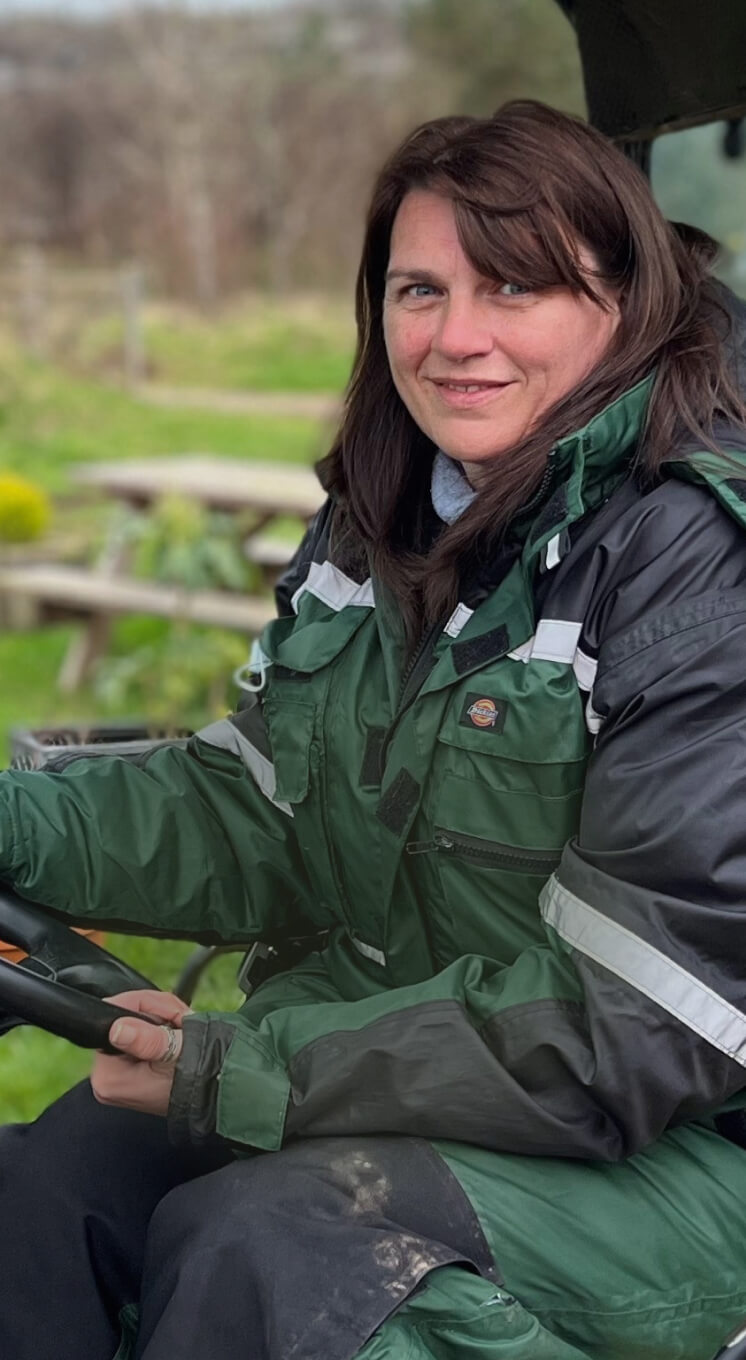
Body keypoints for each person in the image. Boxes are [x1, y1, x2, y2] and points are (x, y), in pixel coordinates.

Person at [1, 98, 746, 1360]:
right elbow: (255, 806)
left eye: (514, 287)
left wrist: (248, 1066)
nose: (455, 337)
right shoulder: (382, 519)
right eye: (418, 290)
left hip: (676, 1158)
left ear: (624, 303)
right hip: (386, 1071)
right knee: (45, 1191)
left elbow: (635, 1025)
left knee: (277, 1249)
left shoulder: (693, 572)